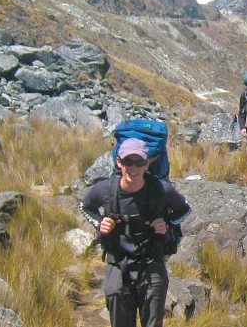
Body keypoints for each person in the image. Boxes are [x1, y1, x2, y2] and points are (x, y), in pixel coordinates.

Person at [80, 138, 191, 327]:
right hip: (118, 263)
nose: (133, 167)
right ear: (118, 162)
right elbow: (85, 207)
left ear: (147, 163)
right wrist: (100, 223)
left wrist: (167, 223)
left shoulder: (160, 189)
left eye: (139, 162)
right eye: (127, 161)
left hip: (151, 263)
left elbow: (185, 209)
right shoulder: (105, 190)